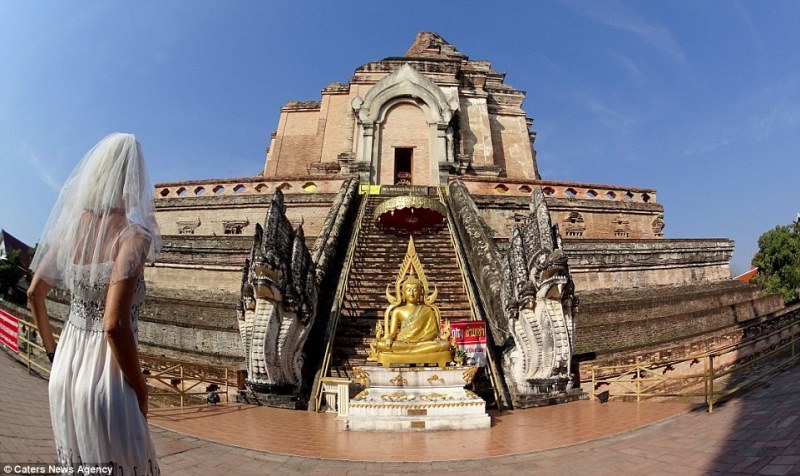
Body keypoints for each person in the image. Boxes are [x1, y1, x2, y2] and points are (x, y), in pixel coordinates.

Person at [28, 133, 161, 474]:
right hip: (109, 380)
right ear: (130, 178)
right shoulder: (133, 237)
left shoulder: (70, 231)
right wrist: (141, 389)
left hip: (64, 372)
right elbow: (114, 325)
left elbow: (34, 294)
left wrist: (52, 351)